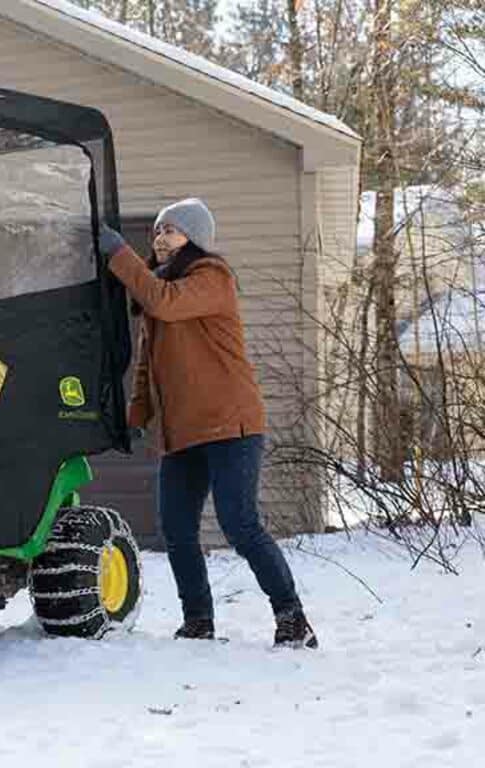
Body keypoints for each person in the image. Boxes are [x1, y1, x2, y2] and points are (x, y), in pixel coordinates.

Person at [98, 198, 317, 649]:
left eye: (171, 231)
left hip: (230, 426)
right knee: (177, 530)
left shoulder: (211, 278)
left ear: (194, 239)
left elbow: (163, 303)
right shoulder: (160, 289)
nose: (159, 239)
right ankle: (198, 620)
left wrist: (119, 253)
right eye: (157, 231)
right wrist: (134, 418)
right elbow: (146, 369)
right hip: (182, 432)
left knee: (240, 525)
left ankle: (292, 617)